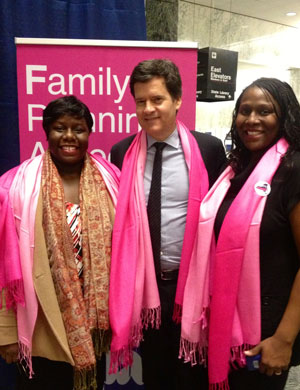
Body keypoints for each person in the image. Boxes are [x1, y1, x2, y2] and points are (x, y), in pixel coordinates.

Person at [108, 58, 226, 390]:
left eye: (157, 99)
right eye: (141, 101)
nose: (148, 109)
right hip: (146, 290)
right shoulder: (121, 153)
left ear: (177, 100)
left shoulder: (208, 149)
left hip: (193, 287)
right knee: (156, 375)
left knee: (191, 377)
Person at [179, 77, 300, 390]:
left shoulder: (293, 170)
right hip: (221, 323)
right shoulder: (234, 169)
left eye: (265, 111)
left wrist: (284, 339)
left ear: (284, 116)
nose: (252, 120)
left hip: (266, 334)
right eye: (244, 111)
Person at [0, 96, 119, 390]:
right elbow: (4, 266)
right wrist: (6, 333)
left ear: (89, 133)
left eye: (77, 129)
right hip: (41, 322)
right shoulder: (16, 187)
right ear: (46, 133)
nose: (68, 137)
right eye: (59, 128)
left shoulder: (112, 181)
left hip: (94, 323)